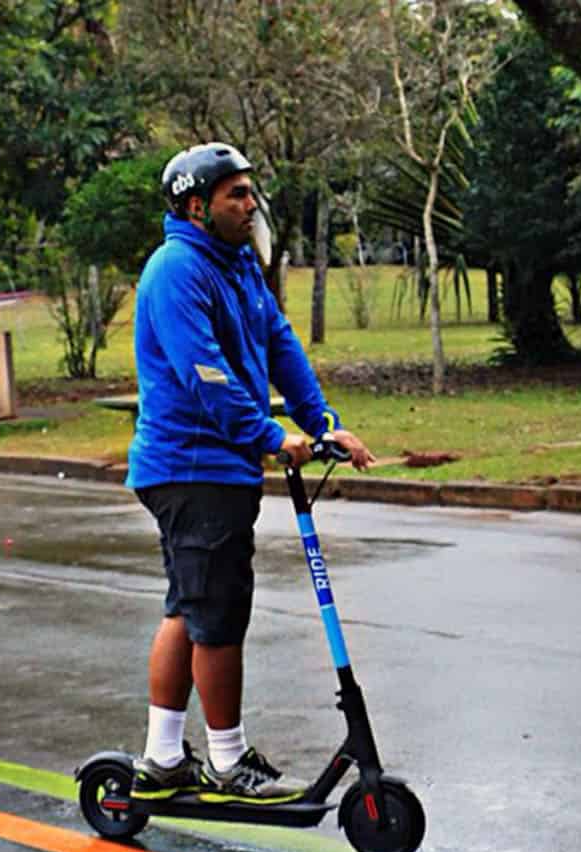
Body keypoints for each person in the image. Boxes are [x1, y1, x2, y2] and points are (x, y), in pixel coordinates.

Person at [126, 142, 375, 804]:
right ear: (195, 205)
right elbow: (204, 373)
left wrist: (321, 423)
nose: (249, 204)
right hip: (192, 467)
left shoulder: (235, 266)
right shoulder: (177, 269)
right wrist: (270, 437)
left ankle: (162, 759)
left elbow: (280, 345)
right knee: (217, 615)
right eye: (235, 194)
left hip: (214, 467)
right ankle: (227, 762)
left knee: (189, 607)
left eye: (249, 191)